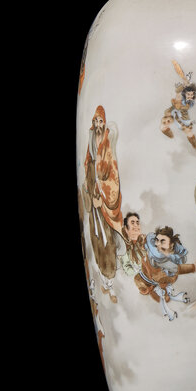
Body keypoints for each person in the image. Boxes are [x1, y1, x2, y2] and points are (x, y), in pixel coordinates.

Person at [82, 105, 125, 302]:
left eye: (101, 121)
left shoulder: (107, 145)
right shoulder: (91, 139)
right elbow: (87, 162)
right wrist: (89, 188)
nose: (98, 125)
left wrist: (103, 198)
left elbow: (112, 174)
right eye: (96, 121)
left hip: (104, 197)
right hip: (93, 192)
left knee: (108, 238)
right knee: (95, 235)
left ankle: (110, 281)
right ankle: (103, 281)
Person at [135, 226, 196, 320]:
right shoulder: (159, 261)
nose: (157, 244)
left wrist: (143, 241)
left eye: (162, 241)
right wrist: (194, 267)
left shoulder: (159, 254)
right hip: (161, 274)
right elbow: (177, 269)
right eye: (157, 240)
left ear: (171, 245)